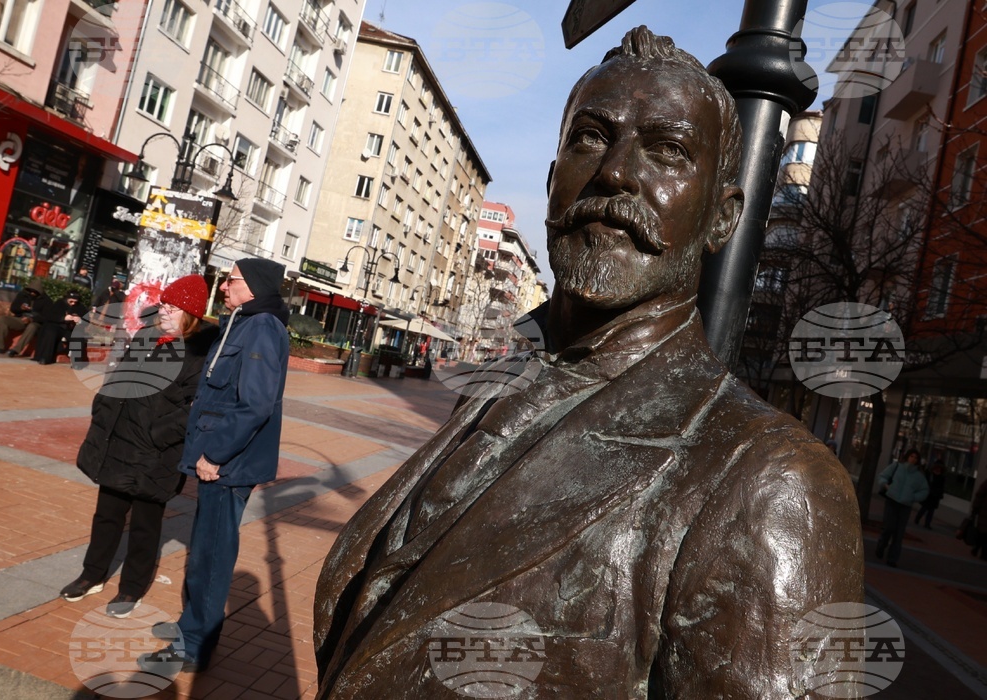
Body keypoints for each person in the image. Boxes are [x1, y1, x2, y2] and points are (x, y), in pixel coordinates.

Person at [312, 27, 863, 698]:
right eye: (592, 138)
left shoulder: (772, 481)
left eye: (667, 151)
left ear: (721, 219)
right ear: (552, 183)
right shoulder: (501, 386)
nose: (615, 173)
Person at [138, 259, 290, 673]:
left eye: (230, 280)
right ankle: (191, 625)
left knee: (211, 555)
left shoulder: (262, 327)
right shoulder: (244, 322)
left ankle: (193, 645)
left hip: (228, 463)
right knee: (205, 548)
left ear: (253, 286)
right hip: (222, 458)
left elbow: (255, 404)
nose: (222, 286)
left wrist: (216, 454)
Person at [59, 276, 218, 618]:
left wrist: (157, 434)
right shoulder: (147, 336)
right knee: (107, 514)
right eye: (163, 305)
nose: (163, 311)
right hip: (119, 440)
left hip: (156, 452)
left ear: (190, 314)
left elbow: (195, 409)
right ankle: (92, 574)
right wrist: (103, 408)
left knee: (146, 525)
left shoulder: (201, 353)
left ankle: (132, 588)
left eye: (172, 307)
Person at [875, 449, 929, 567]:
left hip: (905, 505)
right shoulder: (896, 467)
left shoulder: (919, 476)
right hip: (892, 501)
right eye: (911, 456)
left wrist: (913, 497)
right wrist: (886, 485)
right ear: (907, 457)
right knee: (888, 527)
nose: (913, 459)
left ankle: (892, 558)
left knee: (899, 533)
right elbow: (883, 476)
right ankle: (881, 545)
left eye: (916, 458)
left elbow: (924, 491)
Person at [0, 279, 51, 356]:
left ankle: (16, 350)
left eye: (35, 292)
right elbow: (13, 308)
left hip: (35, 322)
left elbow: (46, 317)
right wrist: (20, 308)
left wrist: (31, 319)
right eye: (31, 291)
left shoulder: (47, 301)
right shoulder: (22, 295)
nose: (32, 293)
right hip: (21, 319)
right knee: (3, 319)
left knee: (32, 327)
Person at [33, 289, 83, 365]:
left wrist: (80, 320)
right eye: (71, 301)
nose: (73, 304)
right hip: (58, 327)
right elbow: (50, 316)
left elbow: (86, 319)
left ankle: (77, 362)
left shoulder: (80, 307)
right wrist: (63, 318)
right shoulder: (59, 303)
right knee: (50, 332)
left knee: (78, 337)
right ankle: (45, 358)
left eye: (75, 302)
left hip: (71, 329)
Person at [915, 459, 946, 529]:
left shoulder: (942, 476)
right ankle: (917, 518)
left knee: (931, 511)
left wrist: (940, 494)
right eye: (937, 467)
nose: (938, 469)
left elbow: (942, 486)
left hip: (935, 496)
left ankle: (927, 524)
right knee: (924, 508)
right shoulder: (929, 474)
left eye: (940, 468)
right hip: (929, 494)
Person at [970, 479, 987, 560]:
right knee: (983, 533)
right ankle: (981, 551)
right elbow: (979, 495)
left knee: (983, 533)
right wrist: (975, 509)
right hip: (984, 512)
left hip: (983, 512)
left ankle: (977, 549)